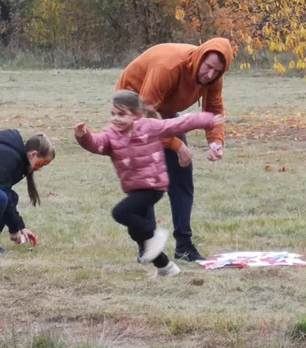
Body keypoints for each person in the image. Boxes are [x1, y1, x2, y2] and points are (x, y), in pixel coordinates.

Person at [74, 90, 226, 278]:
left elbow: (180, 123)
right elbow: (97, 144)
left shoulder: (149, 127)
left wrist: (209, 120)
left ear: (136, 115)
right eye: (113, 114)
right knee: (136, 232)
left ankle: (155, 236)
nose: (116, 119)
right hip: (133, 188)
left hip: (152, 185)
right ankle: (166, 267)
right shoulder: (111, 135)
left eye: (122, 114)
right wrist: (84, 135)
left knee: (120, 213)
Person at [115, 37, 233, 261]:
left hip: (163, 111)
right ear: (200, 58)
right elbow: (145, 117)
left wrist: (215, 142)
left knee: (181, 177)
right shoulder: (168, 67)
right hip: (133, 110)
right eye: (207, 67)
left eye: (216, 71)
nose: (209, 74)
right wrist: (176, 144)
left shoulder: (214, 78)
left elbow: (214, 109)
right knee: (147, 181)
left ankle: (184, 245)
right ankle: (147, 244)